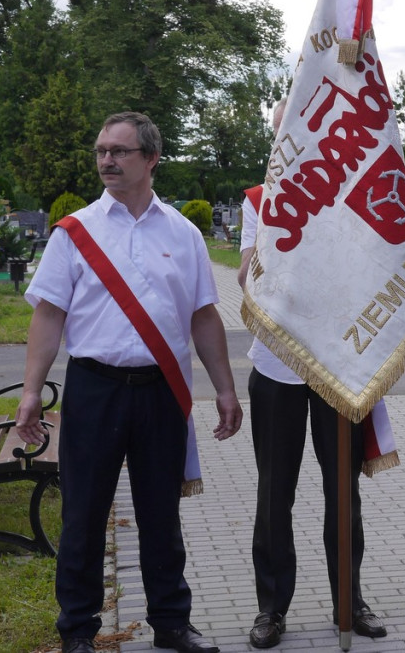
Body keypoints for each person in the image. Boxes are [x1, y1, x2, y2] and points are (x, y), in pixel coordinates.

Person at [15, 112, 243, 653]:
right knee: (84, 514)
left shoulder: (183, 233)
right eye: (101, 151)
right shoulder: (76, 232)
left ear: (151, 159)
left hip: (161, 390)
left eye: (119, 151)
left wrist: (226, 389)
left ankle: (171, 623)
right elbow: (48, 316)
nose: (107, 161)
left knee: (161, 514)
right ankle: (78, 630)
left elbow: (205, 316)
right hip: (95, 387)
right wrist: (30, 390)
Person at [238, 98, 386, 648]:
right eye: (284, 130)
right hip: (277, 366)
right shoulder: (260, 200)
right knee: (276, 492)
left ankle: (351, 599)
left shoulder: (351, 198)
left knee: (343, 491)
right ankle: (271, 608)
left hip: (339, 366)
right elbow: (250, 282)